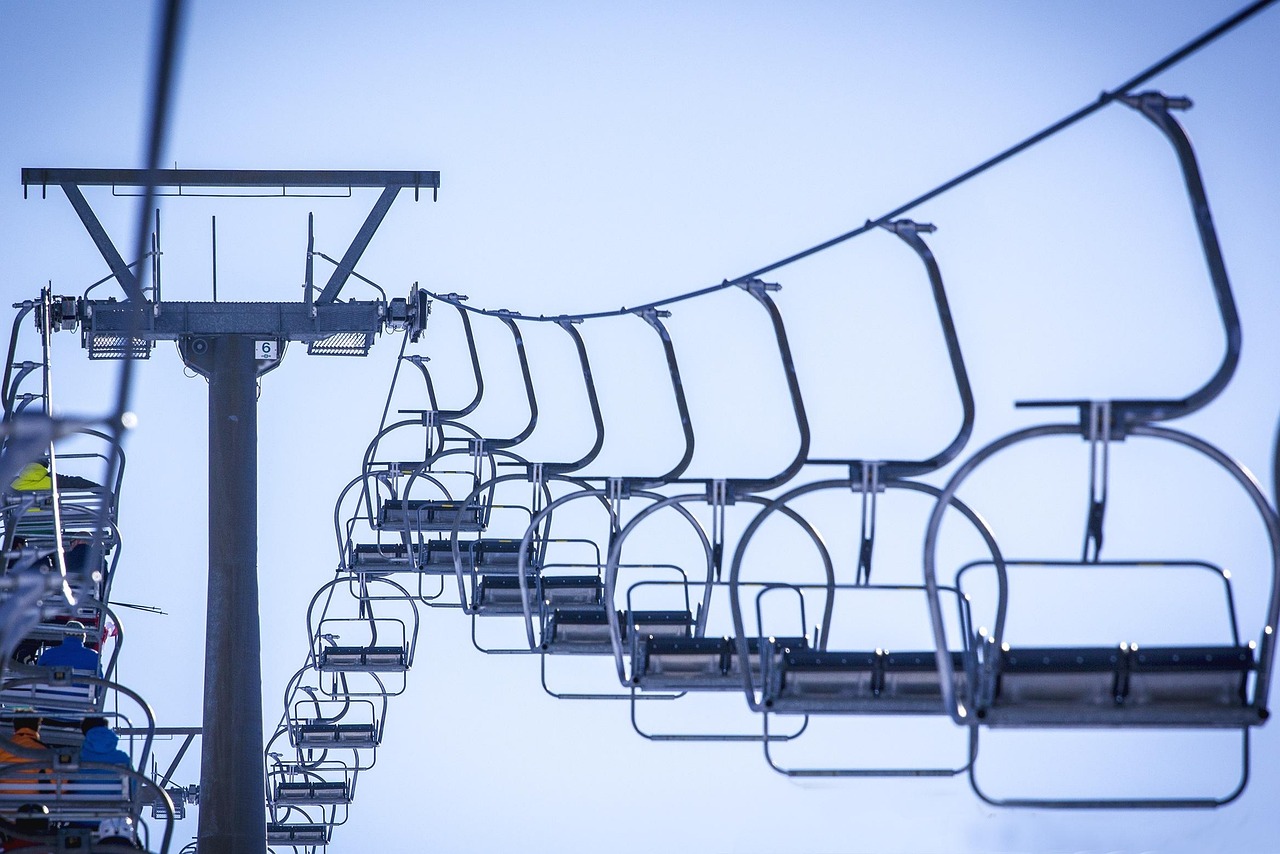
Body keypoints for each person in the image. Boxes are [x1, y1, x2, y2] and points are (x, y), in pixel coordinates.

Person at [0, 716, 48, 795]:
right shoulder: (44, 751)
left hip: (3, 802)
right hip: (32, 804)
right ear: (38, 728)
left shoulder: (2, 749)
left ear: (15, 727)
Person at [35, 621, 100, 672]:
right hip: (83, 688)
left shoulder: (48, 654)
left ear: (64, 636)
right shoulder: (93, 657)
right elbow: (100, 682)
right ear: (83, 637)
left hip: (49, 688)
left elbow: (37, 675)